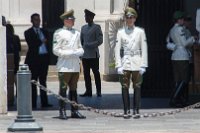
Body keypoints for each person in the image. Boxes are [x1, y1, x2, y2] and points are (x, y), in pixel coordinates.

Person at [115, 7, 148, 118]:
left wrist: (143, 64)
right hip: (125, 62)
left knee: (137, 86)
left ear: (135, 19)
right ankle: (126, 110)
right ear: (125, 19)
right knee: (124, 87)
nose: (129, 19)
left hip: (137, 61)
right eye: (128, 17)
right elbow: (117, 49)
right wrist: (118, 65)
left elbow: (144, 48)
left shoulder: (140, 32)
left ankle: (136, 110)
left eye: (132, 17)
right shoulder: (120, 32)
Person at [53, 9, 86, 119]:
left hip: (75, 65)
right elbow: (56, 50)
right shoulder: (59, 33)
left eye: (73, 19)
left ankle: (74, 111)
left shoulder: (77, 33)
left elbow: (81, 48)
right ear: (66, 20)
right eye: (71, 19)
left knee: (74, 89)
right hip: (64, 65)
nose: (73, 21)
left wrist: (78, 52)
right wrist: (69, 53)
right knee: (63, 89)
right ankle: (62, 111)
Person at [166, 11, 195, 107]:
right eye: (182, 19)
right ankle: (174, 99)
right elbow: (185, 43)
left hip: (175, 56)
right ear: (178, 20)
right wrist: (192, 39)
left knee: (178, 80)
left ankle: (179, 100)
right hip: (182, 56)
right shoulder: (180, 29)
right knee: (184, 79)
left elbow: (167, 42)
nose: (183, 20)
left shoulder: (171, 29)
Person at [24, 13, 52, 109]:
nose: (38, 21)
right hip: (34, 60)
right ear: (32, 21)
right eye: (35, 20)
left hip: (43, 59)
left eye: (39, 19)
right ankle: (33, 103)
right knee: (34, 82)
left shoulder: (44, 31)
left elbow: (49, 44)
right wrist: (41, 41)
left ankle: (45, 102)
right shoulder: (28, 32)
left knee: (43, 81)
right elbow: (32, 44)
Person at [79, 9, 103, 97]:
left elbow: (100, 41)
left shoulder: (97, 27)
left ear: (92, 17)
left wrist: (90, 44)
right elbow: (81, 40)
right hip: (85, 55)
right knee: (86, 74)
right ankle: (88, 91)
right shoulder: (83, 28)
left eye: (88, 16)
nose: (86, 18)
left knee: (96, 73)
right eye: (85, 16)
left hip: (93, 54)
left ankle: (98, 91)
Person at [6, 23, 21, 89]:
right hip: (15, 57)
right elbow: (19, 48)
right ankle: (18, 89)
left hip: (7, 57)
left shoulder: (4, 37)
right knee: (15, 73)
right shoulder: (16, 37)